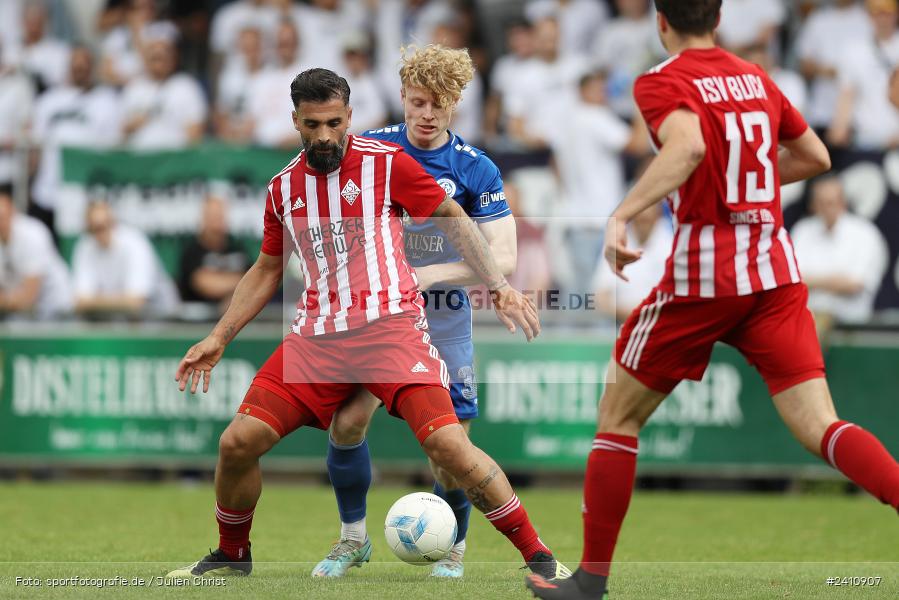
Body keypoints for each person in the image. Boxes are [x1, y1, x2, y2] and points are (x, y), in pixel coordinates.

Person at [526, 1, 899, 598]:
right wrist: (743, 180)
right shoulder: (756, 77)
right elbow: (815, 157)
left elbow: (688, 148)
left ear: (661, 22)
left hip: (707, 277)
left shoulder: (662, 79)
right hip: (774, 273)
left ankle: (589, 583)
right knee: (821, 426)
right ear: (719, 18)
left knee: (618, 418)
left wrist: (624, 212)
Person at [166, 68, 569, 582]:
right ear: (296, 121)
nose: (326, 135)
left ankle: (540, 556)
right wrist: (218, 337)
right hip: (318, 337)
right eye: (313, 125)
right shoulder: (283, 188)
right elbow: (267, 268)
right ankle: (232, 555)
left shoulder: (386, 164)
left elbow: (454, 217)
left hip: (391, 329)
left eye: (335, 122)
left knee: (448, 447)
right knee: (236, 443)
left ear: (350, 116)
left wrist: (499, 284)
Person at [308, 44, 516, 580]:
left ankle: (453, 549)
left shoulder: (475, 169)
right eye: (418, 101)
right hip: (376, 314)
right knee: (348, 422)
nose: (426, 114)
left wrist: (429, 275)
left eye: (438, 105)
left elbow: (505, 257)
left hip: (442, 316)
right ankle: (352, 539)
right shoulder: (369, 147)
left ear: (455, 105)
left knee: (450, 449)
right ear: (401, 96)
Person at [791, 176, 888, 329]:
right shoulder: (803, 229)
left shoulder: (865, 233)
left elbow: (854, 285)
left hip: (851, 326)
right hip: (804, 321)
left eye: (831, 202)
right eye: (821, 203)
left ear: (843, 203)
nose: (827, 208)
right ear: (813, 205)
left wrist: (813, 282)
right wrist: (834, 281)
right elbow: (792, 281)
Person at [72, 201, 179, 318]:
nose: (100, 233)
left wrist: (94, 302)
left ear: (114, 223)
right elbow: (80, 302)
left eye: (104, 225)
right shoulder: (85, 246)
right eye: (94, 228)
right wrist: (121, 301)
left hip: (161, 318)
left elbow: (136, 302)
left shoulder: (135, 243)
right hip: (118, 321)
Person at [0, 186, 72, 317]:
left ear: (12, 211)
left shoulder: (33, 234)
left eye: (2, 216)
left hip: (57, 309)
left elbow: (29, 296)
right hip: (25, 315)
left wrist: (6, 300)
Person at [178, 195, 251, 307]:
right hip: (197, 320)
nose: (216, 223)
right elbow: (203, 284)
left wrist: (232, 297)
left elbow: (252, 283)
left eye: (219, 216)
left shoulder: (237, 249)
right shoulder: (191, 251)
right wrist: (237, 285)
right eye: (212, 217)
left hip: (235, 318)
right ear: (203, 218)